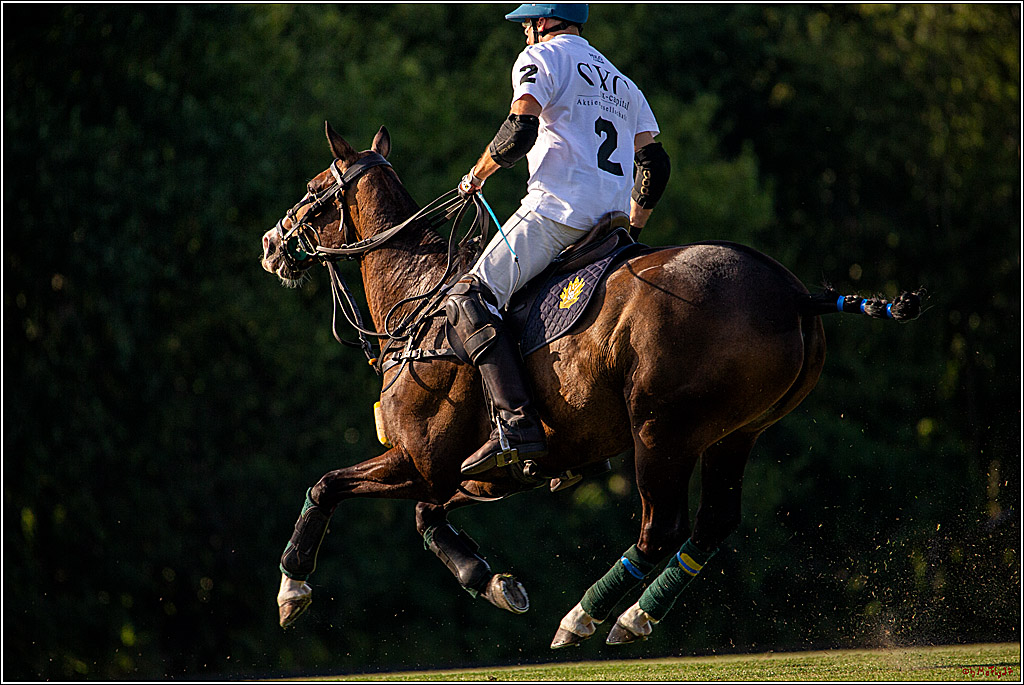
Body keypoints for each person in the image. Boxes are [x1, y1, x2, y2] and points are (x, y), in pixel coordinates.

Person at [446, 3, 671, 478]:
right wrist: (632, 228)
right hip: (608, 229)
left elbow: (519, 130)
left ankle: (515, 424)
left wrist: (478, 174)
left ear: (543, 22)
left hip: (556, 213)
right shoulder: (623, 83)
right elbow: (654, 166)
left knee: (469, 296)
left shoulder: (542, 59)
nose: (525, 32)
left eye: (527, 23)